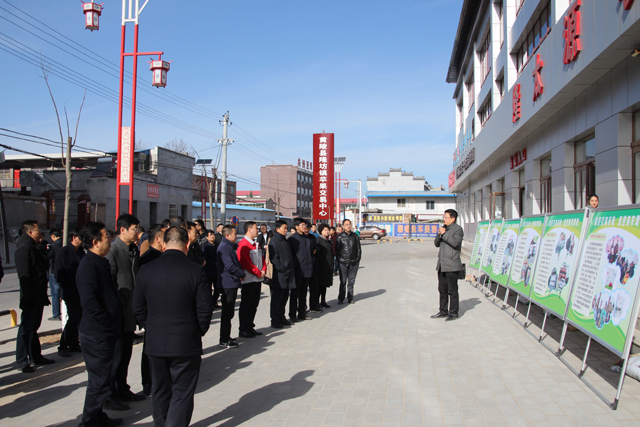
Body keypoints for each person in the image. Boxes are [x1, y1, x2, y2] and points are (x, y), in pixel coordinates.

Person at [133, 226, 213, 427]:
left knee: (160, 390)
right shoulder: (196, 271)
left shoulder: (146, 269)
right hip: (186, 342)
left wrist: (150, 327)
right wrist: (197, 331)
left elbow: (138, 307)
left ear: (163, 242)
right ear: (187, 244)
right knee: (182, 393)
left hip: (155, 342)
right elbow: (205, 310)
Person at [76, 222, 124, 427]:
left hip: (105, 331)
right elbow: (89, 303)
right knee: (98, 380)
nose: (110, 240)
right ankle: (88, 422)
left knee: (102, 378)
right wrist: (107, 322)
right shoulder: (88, 266)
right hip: (97, 333)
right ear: (95, 242)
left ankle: (97, 416)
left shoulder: (99, 262)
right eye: (106, 237)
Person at [105, 213, 145, 408]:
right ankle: (110, 395)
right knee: (116, 356)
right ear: (122, 230)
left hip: (130, 312)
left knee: (126, 355)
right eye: (134, 229)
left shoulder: (133, 249)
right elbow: (109, 286)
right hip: (119, 313)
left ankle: (122, 388)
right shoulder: (113, 251)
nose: (137, 233)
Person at [15, 220, 53, 373]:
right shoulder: (24, 249)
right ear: (30, 232)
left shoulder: (34, 247)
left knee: (33, 328)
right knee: (26, 328)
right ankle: (22, 360)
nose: (41, 233)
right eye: (38, 230)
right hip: (31, 297)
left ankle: (35, 356)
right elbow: (24, 275)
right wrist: (29, 297)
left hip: (38, 296)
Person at [138, 224, 165, 396]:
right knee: (149, 350)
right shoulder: (148, 259)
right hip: (152, 312)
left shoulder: (160, 257)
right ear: (157, 239)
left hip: (158, 312)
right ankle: (148, 382)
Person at [54, 229, 85, 358]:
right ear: (73, 237)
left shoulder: (81, 252)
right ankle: (63, 345)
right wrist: (68, 286)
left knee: (78, 318)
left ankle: (73, 343)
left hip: (80, 291)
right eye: (80, 237)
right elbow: (59, 274)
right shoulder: (64, 252)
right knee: (72, 318)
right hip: (70, 291)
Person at [432, 209, 464, 321]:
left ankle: (454, 313)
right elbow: (436, 244)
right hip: (442, 265)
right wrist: (439, 234)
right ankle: (443, 311)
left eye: (446, 217)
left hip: (451, 265)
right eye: (443, 217)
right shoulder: (443, 228)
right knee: (442, 289)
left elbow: (455, 243)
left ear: (453, 218)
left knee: (452, 290)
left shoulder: (458, 230)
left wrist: (444, 234)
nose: (444, 219)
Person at [217, 225, 246, 348]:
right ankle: (224, 339)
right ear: (227, 235)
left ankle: (226, 336)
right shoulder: (224, 248)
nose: (236, 236)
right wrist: (241, 274)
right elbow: (229, 266)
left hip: (231, 281)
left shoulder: (228, 247)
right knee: (227, 312)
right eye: (234, 234)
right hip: (228, 283)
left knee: (229, 312)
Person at [237, 221, 266, 338]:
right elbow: (246, 263)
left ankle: (250, 326)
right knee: (246, 305)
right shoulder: (243, 245)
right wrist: (258, 273)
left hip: (257, 279)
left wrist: (263, 270)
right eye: (256, 228)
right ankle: (243, 328)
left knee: (254, 304)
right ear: (249, 230)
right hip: (249, 280)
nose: (258, 230)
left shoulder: (256, 244)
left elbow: (262, 259)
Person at [268, 220, 296, 328]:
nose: (286, 230)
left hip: (288, 273)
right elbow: (274, 259)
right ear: (277, 229)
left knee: (284, 297)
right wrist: (282, 268)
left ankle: (281, 317)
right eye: (284, 228)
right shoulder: (274, 241)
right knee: (277, 298)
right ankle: (275, 320)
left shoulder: (285, 240)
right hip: (280, 275)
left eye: (286, 228)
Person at [288, 218, 315, 320]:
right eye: (302, 225)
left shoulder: (308, 238)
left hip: (307, 270)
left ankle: (302, 314)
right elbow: (291, 255)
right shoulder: (292, 239)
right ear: (296, 226)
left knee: (303, 294)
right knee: (294, 294)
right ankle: (292, 315)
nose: (304, 227)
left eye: (305, 225)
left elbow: (311, 253)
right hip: (297, 270)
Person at [335, 219, 362, 304]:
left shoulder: (355, 236)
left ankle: (350, 298)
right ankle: (341, 298)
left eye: (349, 224)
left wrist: (357, 260)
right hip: (343, 263)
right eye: (346, 224)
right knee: (343, 281)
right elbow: (337, 250)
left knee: (351, 281)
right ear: (343, 226)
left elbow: (358, 249)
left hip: (353, 263)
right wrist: (340, 260)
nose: (348, 226)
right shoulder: (340, 237)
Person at [314, 224, 334, 309]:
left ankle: (323, 301)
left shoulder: (328, 241)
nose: (327, 231)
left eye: (328, 230)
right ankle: (317, 302)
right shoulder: (318, 241)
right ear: (321, 231)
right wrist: (324, 263)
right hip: (321, 267)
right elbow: (318, 255)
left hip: (328, 266)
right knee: (320, 286)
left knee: (325, 285)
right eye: (325, 230)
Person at [47, 228, 63, 321]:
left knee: (55, 294)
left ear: (53, 236)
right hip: (63, 271)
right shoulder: (65, 244)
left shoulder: (53, 246)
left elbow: (48, 256)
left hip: (54, 271)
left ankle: (56, 314)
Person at [202, 229, 220, 309]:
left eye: (213, 235)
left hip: (216, 271)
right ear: (207, 237)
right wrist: (215, 264)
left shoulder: (217, 245)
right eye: (210, 235)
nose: (212, 236)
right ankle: (209, 304)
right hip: (209, 271)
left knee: (218, 288)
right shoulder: (205, 247)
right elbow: (206, 259)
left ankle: (214, 301)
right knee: (209, 289)